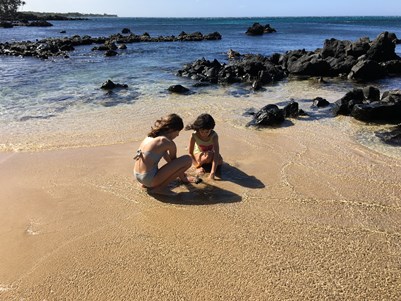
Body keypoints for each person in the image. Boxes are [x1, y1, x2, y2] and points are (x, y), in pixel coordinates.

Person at [133, 113, 193, 195]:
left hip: (138, 176)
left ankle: (146, 185)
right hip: (149, 179)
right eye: (178, 131)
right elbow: (174, 161)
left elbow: (169, 160)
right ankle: (160, 188)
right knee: (188, 159)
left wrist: (179, 170)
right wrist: (184, 179)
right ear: (171, 130)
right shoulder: (167, 142)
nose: (178, 135)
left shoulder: (150, 137)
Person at [185, 113, 223, 180]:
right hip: (199, 154)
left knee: (220, 161)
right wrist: (197, 166)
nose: (204, 134)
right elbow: (190, 152)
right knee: (207, 157)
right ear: (198, 129)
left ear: (211, 129)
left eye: (207, 132)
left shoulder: (214, 136)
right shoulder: (194, 135)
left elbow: (216, 153)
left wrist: (212, 173)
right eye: (202, 131)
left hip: (210, 154)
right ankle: (202, 165)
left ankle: (207, 166)